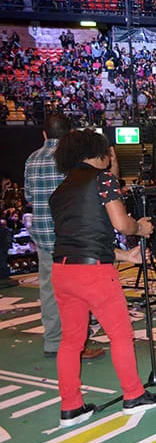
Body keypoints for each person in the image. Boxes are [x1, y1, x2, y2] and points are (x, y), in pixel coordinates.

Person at [49, 129, 156, 427]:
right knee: (120, 334)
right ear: (101, 152)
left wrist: (126, 257)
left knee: (71, 340)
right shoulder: (102, 180)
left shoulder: (61, 190)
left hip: (62, 271)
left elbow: (83, 239)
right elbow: (121, 224)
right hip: (95, 274)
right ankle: (133, 394)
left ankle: (71, 407)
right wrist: (140, 228)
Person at [24, 114, 104, 360]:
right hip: (70, 235)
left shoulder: (32, 159)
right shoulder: (70, 160)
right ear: (69, 134)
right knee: (79, 293)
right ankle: (78, 343)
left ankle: (53, 342)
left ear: (44, 134)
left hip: (43, 235)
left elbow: (28, 196)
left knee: (49, 290)